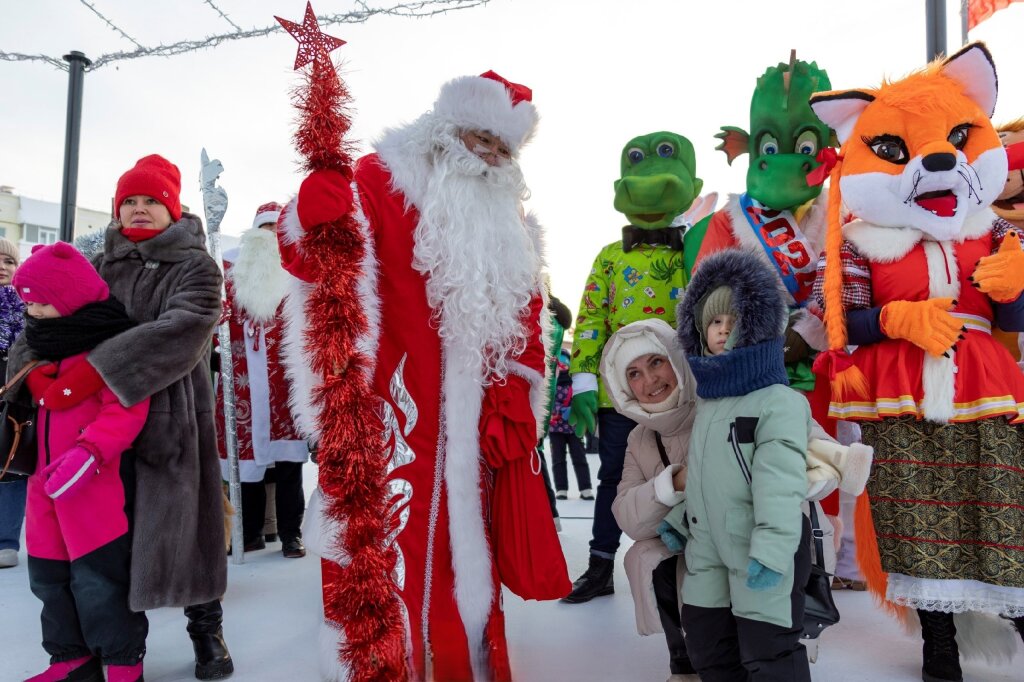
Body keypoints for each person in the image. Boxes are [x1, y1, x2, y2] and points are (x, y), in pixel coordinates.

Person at [278, 71, 569, 680]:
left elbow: (528, 313)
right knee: (387, 556)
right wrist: (310, 214)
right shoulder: (381, 182)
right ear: (444, 130)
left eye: (503, 148)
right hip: (390, 413)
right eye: (479, 138)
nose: (489, 157)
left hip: (477, 429)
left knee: (470, 565)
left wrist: (519, 385)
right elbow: (319, 261)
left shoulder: (511, 222)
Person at [83, 155, 230, 680]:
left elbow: (185, 328)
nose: (140, 210)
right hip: (102, 423)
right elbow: (61, 323)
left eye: (152, 201)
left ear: (173, 209)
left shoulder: (198, 265)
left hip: (175, 420)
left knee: (189, 530)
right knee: (113, 541)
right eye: (130, 201)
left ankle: (206, 628)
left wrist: (96, 365)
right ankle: (125, 647)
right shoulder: (99, 266)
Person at [665, 248, 813, 681]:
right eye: (714, 321)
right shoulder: (710, 401)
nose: (724, 330)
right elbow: (710, 476)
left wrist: (771, 552)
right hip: (708, 548)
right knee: (709, 646)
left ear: (758, 327)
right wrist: (680, 518)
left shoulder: (777, 401)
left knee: (769, 653)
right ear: (699, 330)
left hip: (763, 547)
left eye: (735, 321)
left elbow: (780, 485)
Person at [7, 242, 149, 682]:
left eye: (43, 301)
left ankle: (124, 662)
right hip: (42, 484)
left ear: (69, 298)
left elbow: (126, 408)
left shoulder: (108, 350)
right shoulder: (36, 348)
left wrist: (90, 452)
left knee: (100, 580)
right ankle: (71, 658)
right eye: (28, 301)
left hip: (93, 484)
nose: (34, 310)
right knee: (48, 578)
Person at [604, 319, 698, 681]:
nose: (650, 381)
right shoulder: (639, 440)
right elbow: (628, 518)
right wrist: (672, 482)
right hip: (688, 539)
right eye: (634, 373)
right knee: (646, 553)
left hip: (739, 538)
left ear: (676, 360)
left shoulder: (720, 404)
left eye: (656, 362)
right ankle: (684, 663)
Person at [216, 202, 308, 559]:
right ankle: (249, 532)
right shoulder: (228, 269)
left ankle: (290, 535)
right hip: (240, 380)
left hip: (283, 381)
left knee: (289, 465)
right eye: (264, 230)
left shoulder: (296, 270)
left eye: (276, 230)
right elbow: (215, 316)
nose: (270, 237)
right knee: (245, 466)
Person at [0, 237, 26, 569]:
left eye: (8, 261)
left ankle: (6, 541)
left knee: (10, 467)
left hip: (14, 396)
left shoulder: (27, 306)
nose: (2, 267)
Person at [548, 349, 593, 500]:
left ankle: (585, 488)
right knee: (558, 459)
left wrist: (573, 409)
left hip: (575, 428)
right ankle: (561, 489)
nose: (563, 367)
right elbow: (547, 403)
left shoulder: (576, 381)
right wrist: (561, 410)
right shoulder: (550, 383)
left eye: (565, 363)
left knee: (580, 457)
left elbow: (581, 400)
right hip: (556, 429)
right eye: (560, 364)